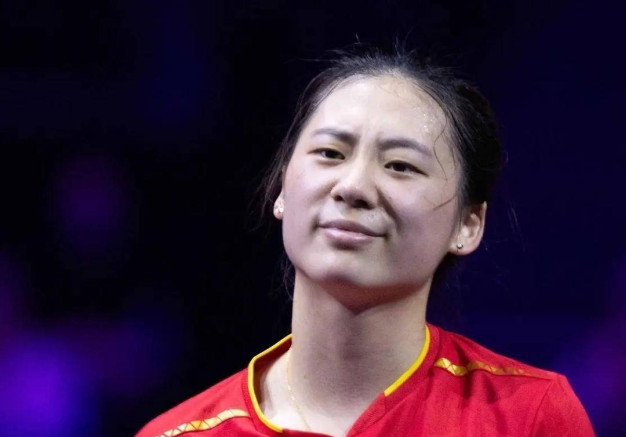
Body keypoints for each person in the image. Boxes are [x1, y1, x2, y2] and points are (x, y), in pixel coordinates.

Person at [136, 47, 595, 437]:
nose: (353, 186)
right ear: (282, 190)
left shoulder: (528, 416)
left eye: (401, 166)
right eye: (330, 153)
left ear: (468, 224)